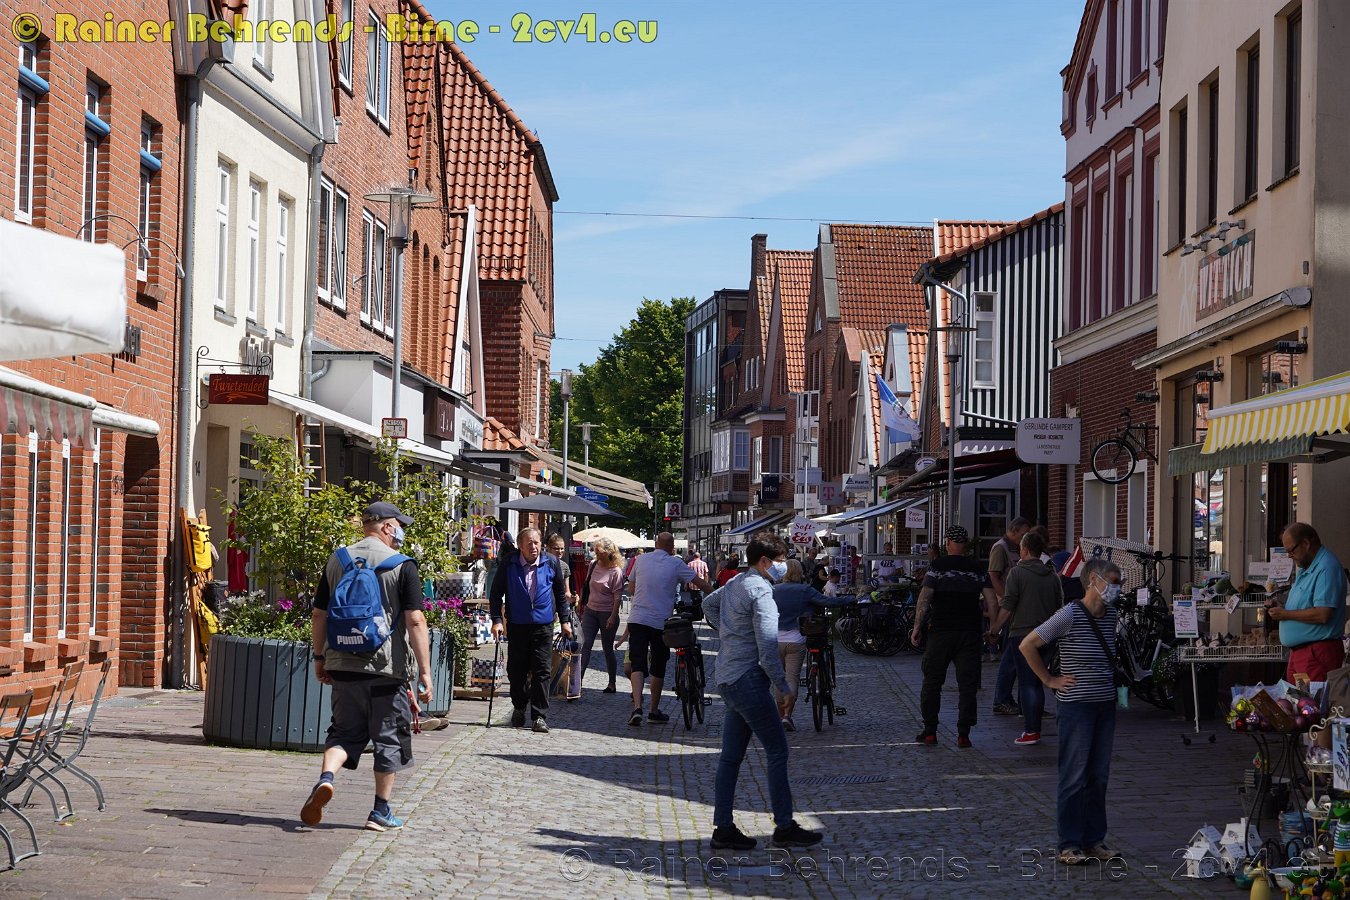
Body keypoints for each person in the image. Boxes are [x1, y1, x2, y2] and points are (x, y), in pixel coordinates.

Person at [301, 501, 431, 831]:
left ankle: (326, 777)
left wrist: (320, 658)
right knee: (389, 738)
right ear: (387, 527)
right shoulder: (402, 565)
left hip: (342, 663)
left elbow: (319, 614)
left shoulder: (337, 559)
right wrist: (425, 672)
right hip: (386, 668)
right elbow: (415, 620)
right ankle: (380, 811)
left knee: (343, 732)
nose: (401, 533)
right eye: (399, 526)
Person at [702, 530, 822, 851]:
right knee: (778, 751)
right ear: (766, 561)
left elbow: (707, 604)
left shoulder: (735, 583)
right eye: (781, 560)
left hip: (728, 678)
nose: (784, 565)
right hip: (749, 680)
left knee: (731, 758)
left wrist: (729, 633)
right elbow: (769, 648)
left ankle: (723, 827)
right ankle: (784, 826)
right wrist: (783, 687)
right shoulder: (762, 593)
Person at [1019, 558, 1124, 866]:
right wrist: (1049, 680)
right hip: (1076, 706)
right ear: (1093, 580)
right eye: (1112, 582)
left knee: (1098, 775)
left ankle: (1094, 840)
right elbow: (1027, 645)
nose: (1116, 589)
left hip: (1104, 704)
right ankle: (1068, 843)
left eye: (1119, 583)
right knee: (1074, 775)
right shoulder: (1069, 614)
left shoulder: (1112, 615)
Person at [911, 525, 996, 748]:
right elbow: (992, 601)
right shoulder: (977, 568)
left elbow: (925, 597)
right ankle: (963, 734)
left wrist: (917, 626)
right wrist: (993, 630)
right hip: (969, 633)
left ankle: (930, 731)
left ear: (947, 543)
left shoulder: (937, 566)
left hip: (941, 631)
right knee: (967, 685)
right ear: (965, 544)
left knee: (932, 682)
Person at [619, 532, 712, 726]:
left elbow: (631, 589)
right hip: (661, 622)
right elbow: (701, 583)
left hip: (637, 619)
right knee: (658, 666)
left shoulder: (640, 560)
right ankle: (653, 711)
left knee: (637, 664)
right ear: (672, 547)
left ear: (656, 544)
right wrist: (719, 595)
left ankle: (637, 707)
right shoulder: (676, 563)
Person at [489, 527, 575, 733]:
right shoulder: (509, 563)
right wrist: (497, 621)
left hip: (543, 625)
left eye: (536, 543)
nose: (533, 547)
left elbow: (560, 595)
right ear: (520, 546)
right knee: (516, 671)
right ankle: (519, 706)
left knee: (542, 670)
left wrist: (565, 621)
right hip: (517, 625)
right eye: (529, 543)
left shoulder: (551, 563)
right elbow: (495, 594)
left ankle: (539, 716)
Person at [986, 530, 1063, 746]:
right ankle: (1033, 725)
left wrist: (994, 630)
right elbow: (1060, 606)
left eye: (1020, 547)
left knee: (1028, 683)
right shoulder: (1052, 575)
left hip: (1022, 635)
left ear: (1025, 550)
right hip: (1048, 634)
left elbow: (1008, 606)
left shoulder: (1017, 573)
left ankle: (1031, 730)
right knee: (1038, 680)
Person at [771, 559, 850, 731]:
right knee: (792, 678)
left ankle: (780, 716)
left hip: (775, 639)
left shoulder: (773, 590)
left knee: (779, 678)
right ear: (800, 573)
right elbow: (828, 601)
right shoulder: (805, 590)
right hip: (797, 638)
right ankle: (787, 716)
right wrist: (850, 599)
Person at [1266, 522, 1349, 682]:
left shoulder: (1326, 568)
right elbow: (1304, 606)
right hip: (1302, 653)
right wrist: (1281, 608)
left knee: (1312, 698)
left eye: (1291, 550)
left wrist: (1286, 614)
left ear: (1306, 543)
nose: (1289, 556)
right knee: (1297, 697)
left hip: (1316, 653)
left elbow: (1323, 614)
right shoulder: (1308, 567)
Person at [990, 517, 1033, 714]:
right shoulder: (1000, 548)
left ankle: (1007, 699)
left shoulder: (1014, 548)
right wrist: (1007, 601)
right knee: (1010, 656)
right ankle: (1002, 699)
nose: (1025, 538)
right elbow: (994, 576)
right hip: (1010, 609)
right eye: (1023, 534)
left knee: (1013, 655)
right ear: (1013, 531)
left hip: (1016, 607)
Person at [578, 537, 625, 694]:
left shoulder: (616, 571)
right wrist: (581, 603)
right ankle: (577, 682)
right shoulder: (593, 564)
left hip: (607, 613)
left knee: (607, 648)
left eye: (599, 552)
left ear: (609, 552)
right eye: (595, 551)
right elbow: (586, 584)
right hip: (590, 611)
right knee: (585, 645)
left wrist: (613, 616)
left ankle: (612, 682)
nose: (596, 554)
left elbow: (617, 596)